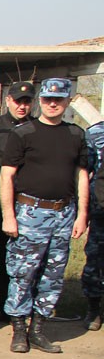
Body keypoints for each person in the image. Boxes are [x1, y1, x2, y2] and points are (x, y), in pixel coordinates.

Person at [0, 78, 90, 353]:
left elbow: (82, 175)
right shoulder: (24, 133)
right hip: (30, 213)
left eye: (58, 99)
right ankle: (18, 331)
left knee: (53, 275)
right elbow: (7, 175)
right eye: (48, 99)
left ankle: (38, 330)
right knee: (23, 273)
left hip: (63, 213)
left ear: (67, 102)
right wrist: (8, 215)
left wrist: (82, 214)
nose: (53, 104)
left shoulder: (76, 134)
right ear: (40, 101)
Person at [0, 82, 36, 328]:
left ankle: (14, 308)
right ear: (8, 101)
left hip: (28, 206)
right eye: (17, 101)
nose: (22, 106)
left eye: (26, 101)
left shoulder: (37, 128)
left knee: (25, 261)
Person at [84, 119, 104, 331]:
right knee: (96, 260)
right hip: (101, 211)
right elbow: (83, 170)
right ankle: (94, 308)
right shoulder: (96, 133)